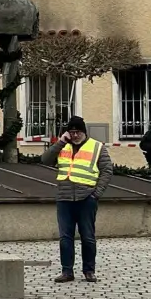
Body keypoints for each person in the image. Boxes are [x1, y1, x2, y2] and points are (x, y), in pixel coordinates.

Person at [40, 115, 112, 283]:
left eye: (78, 131)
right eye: (71, 132)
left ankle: (89, 270)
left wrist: (96, 194)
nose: (75, 135)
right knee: (65, 237)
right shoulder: (63, 146)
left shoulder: (96, 147)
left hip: (87, 198)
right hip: (64, 198)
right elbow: (45, 160)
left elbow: (107, 170)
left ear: (84, 132)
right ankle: (67, 271)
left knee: (87, 236)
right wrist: (60, 141)